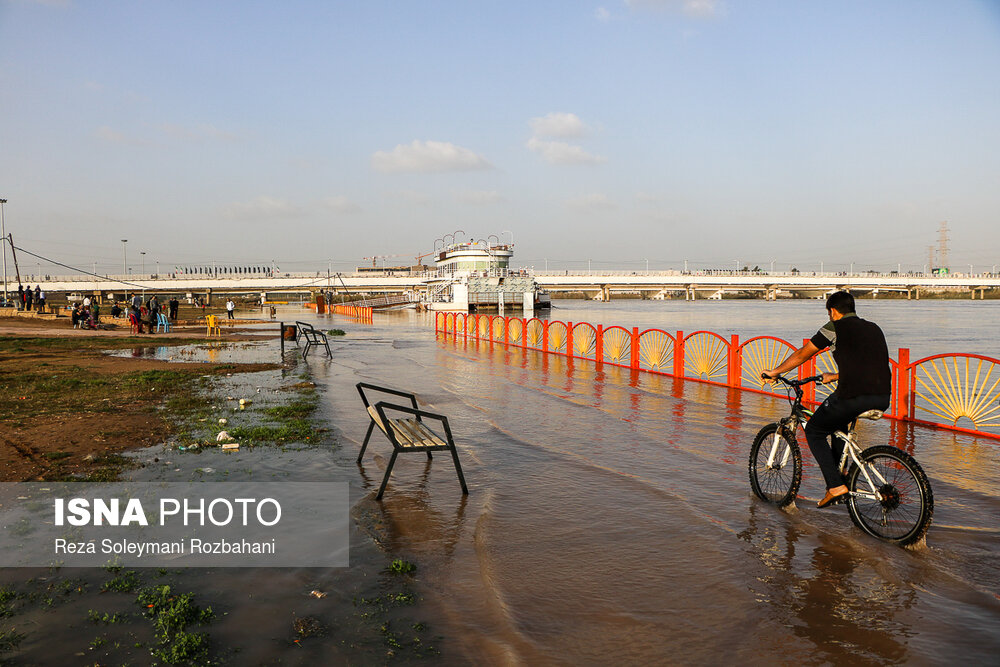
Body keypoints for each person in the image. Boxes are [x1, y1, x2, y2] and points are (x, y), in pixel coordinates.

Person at [763, 291, 891, 509]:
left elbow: (804, 354)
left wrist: (775, 372)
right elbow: (869, 364)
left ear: (833, 311)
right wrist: (835, 376)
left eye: (829, 312)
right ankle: (840, 471)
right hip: (882, 396)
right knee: (837, 421)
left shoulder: (834, 328)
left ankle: (835, 486)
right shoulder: (874, 328)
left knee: (814, 430)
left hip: (853, 395)